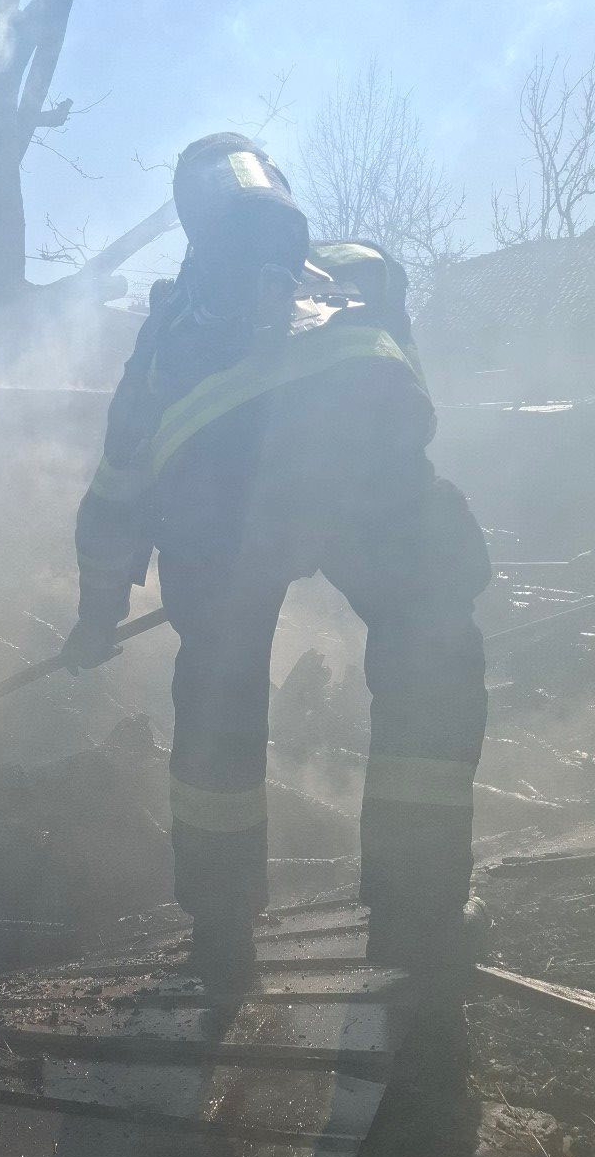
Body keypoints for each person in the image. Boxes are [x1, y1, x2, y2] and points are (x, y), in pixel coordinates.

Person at [62, 134, 490, 988]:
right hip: (362, 452)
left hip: (215, 507)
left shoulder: (166, 331)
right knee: (429, 645)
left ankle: (222, 935)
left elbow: (118, 485)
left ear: (191, 221)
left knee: (218, 695)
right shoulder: (364, 266)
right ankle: (418, 919)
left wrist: (98, 614)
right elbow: (410, 386)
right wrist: (340, 505)